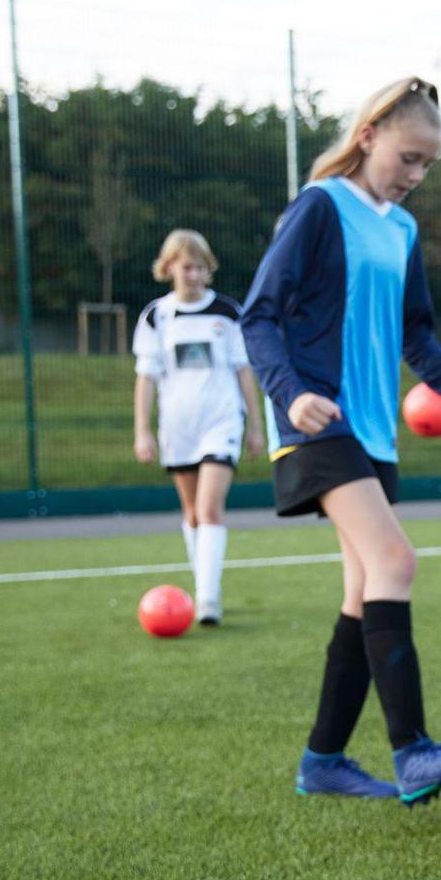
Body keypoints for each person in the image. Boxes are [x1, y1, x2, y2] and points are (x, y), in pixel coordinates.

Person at [242, 76, 441, 804]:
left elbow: (414, 332)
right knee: (395, 558)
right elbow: (258, 316)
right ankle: (413, 749)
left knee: (364, 590)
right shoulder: (319, 208)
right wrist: (293, 397)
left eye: (428, 165)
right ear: (369, 137)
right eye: (409, 158)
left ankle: (322, 759)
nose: (416, 177)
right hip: (320, 422)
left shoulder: (402, 229)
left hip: (374, 434)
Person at [132, 229, 264, 626]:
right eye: (187, 266)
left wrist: (255, 426)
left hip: (221, 421)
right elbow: (146, 378)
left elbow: (244, 371)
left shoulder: (227, 312)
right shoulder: (156, 316)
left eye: (201, 267)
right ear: (169, 267)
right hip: (178, 427)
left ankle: (208, 599)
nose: (194, 274)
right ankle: (201, 583)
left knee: (209, 508)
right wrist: (143, 430)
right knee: (191, 513)